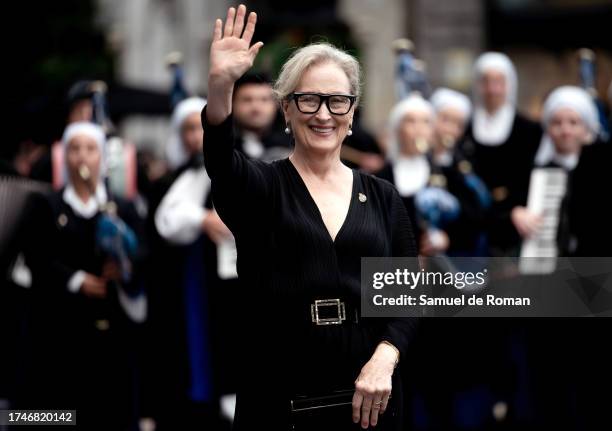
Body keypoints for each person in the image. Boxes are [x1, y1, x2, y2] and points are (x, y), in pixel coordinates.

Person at [203, 5, 418, 430]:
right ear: (286, 109)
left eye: (337, 101)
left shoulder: (383, 197)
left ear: (352, 112)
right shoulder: (260, 187)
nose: (323, 114)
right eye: (308, 99)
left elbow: (407, 296)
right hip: (279, 402)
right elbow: (220, 161)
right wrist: (220, 85)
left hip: (368, 403)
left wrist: (385, 358)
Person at [20, 122, 145, 430]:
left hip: (112, 327)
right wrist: (75, 279)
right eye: (74, 149)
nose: (82, 157)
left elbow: (144, 252)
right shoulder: (48, 204)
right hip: (61, 326)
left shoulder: (121, 206)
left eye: (90, 149)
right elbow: (36, 255)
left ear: (101, 156)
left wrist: (124, 265)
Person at [459, 52, 542, 256]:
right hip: (472, 226)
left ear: (509, 85)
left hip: (516, 227)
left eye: (498, 81)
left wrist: (515, 209)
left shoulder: (529, 130)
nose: (492, 89)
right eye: (485, 81)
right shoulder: (463, 129)